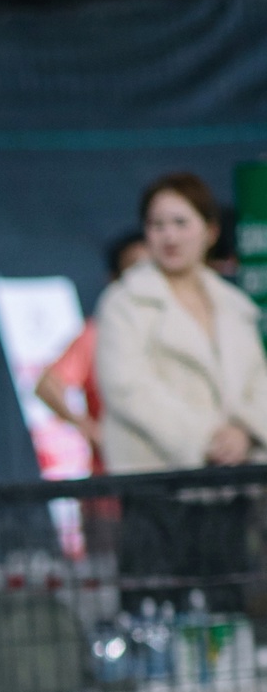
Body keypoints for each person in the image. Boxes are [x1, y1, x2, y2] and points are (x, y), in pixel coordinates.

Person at [96, 172, 267, 474]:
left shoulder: (235, 304)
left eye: (180, 223)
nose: (169, 237)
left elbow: (258, 379)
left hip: (240, 474)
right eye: (157, 225)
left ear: (210, 231)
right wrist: (206, 440)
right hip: (158, 476)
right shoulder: (124, 302)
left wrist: (245, 431)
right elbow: (128, 388)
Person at [32, 229, 148, 471]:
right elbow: (47, 385)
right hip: (116, 475)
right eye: (135, 272)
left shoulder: (186, 330)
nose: (145, 281)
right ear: (114, 280)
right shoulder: (97, 335)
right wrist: (90, 429)